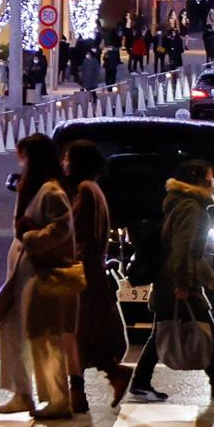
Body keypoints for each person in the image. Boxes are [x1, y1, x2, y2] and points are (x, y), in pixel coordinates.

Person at [126, 157, 214, 404]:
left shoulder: (182, 203)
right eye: (209, 177)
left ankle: (142, 383)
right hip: (177, 280)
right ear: (197, 180)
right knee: (202, 326)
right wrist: (182, 285)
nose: (213, 182)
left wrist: (208, 276)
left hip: (173, 277)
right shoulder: (191, 207)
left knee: (164, 329)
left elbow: (191, 251)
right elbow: (184, 249)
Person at [0, 134, 79, 419]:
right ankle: (21, 392)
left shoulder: (51, 191)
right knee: (13, 331)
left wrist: (30, 237)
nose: (21, 164)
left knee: (44, 337)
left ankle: (58, 399)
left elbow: (61, 230)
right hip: (23, 272)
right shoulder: (33, 188)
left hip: (41, 272)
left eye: (24, 158)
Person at [63, 139, 130, 407]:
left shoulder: (85, 191)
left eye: (68, 159)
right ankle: (110, 374)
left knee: (75, 331)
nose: (64, 164)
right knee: (87, 331)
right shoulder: (93, 189)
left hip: (82, 271)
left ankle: (79, 392)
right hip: (90, 270)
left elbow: (75, 232)